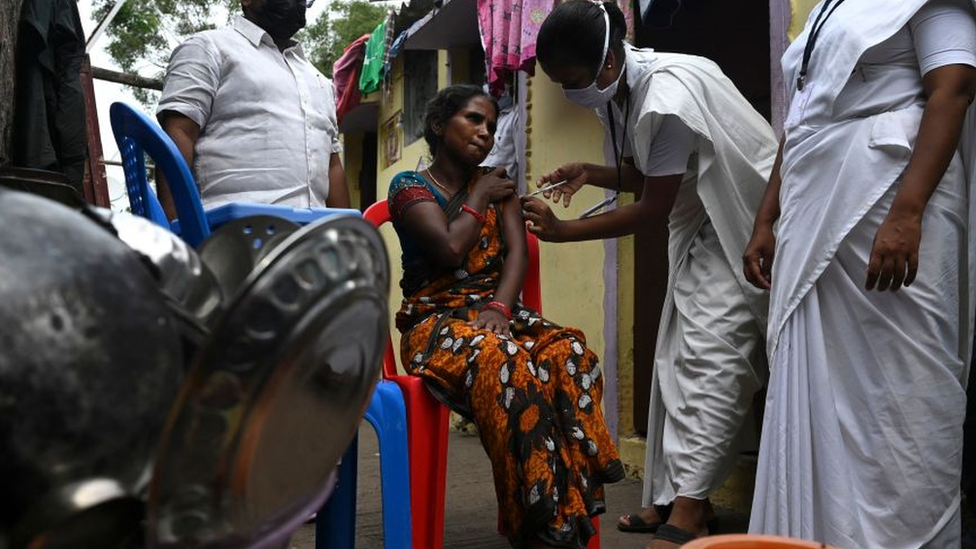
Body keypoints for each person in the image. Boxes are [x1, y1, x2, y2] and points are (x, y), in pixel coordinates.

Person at [520, 2, 777, 546]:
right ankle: (679, 500)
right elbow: (653, 172)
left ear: (610, 61)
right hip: (700, 226)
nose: (571, 94)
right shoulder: (623, 91)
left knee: (713, 362)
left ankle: (689, 506)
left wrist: (564, 233)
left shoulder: (667, 94)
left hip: (734, 225)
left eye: (574, 81)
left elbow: (653, 206)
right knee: (675, 365)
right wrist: (591, 172)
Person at [743, 1, 976, 547]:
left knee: (902, 389)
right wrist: (766, 215)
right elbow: (803, 115)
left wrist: (907, 211)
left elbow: (954, 88)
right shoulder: (830, 7)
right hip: (815, 201)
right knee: (820, 384)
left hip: (890, 202)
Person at [388, 84, 623, 549]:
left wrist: (499, 307)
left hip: (498, 316)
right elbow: (450, 247)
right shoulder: (409, 187)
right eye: (473, 120)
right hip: (435, 325)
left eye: (492, 125)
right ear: (439, 126)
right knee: (505, 362)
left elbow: (518, 255)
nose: (485, 132)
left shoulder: (500, 186)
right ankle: (535, 523)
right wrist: (479, 195)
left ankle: (565, 511)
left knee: (569, 351)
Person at [156, 0, 350, 212]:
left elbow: (332, 165)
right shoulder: (208, 48)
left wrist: (349, 238)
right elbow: (179, 134)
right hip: (229, 235)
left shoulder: (320, 82)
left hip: (312, 238)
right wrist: (176, 235)